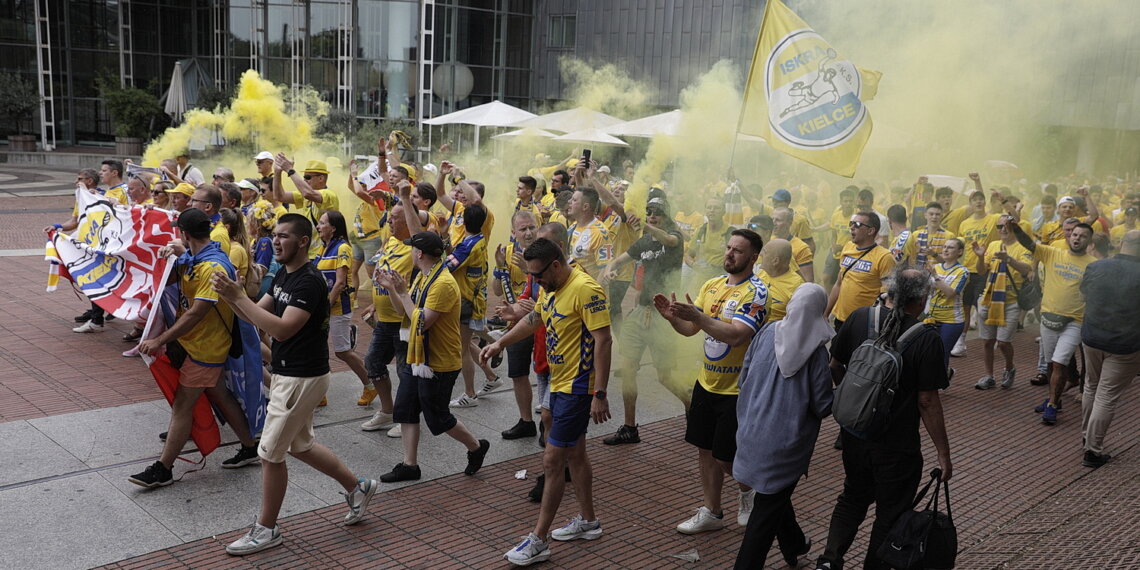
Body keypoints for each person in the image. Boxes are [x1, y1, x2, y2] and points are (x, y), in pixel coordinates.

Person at [210, 213, 379, 555]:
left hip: (302, 377)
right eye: (275, 235)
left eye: (285, 236)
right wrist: (232, 296)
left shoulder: (308, 281)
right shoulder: (284, 277)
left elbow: (283, 329)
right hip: (291, 374)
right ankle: (358, 486)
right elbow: (256, 312)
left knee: (270, 455)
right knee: (300, 446)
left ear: (303, 241)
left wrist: (238, 298)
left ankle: (267, 529)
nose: (276, 241)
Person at [482, 237, 613, 567]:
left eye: (538, 275)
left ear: (556, 265)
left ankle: (538, 539)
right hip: (557, 381)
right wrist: (500, 343)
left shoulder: (586, 289)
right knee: (576, 455)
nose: (535, 281)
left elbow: (604, 339)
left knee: (553, 461)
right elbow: (534, 319)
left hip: (578, 388)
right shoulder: (549, 287)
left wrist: (599, 392)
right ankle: (588, 521)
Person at [816, 267, 952, 570]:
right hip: (897, 445)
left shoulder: (859, 317)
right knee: (890, 513)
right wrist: (944, 454)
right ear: (921, 300)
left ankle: (829, 560)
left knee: (852, 497)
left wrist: (857, 401)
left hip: (854, 434)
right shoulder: (926, 338)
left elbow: (835, 365)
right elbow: (927, 401)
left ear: (890, 293)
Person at [128, 208, 260, 488]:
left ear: (185, 233)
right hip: (197, 345)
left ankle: (163, 469)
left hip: (207, 349)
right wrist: (172, 254)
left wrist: (159, 340)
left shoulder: (212, 267)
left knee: (182, 405)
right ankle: (250, 447)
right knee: (221, 395)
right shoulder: (196, 257)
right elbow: (173, 278)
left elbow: (196, 313)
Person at [657, 229, 768, 533]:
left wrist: (698, 316)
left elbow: (736, 335)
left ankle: (748, 493)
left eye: (738, 250)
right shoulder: (712, 285)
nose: (730, 254)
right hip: (706, 383)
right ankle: (712, 511)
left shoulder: (756, 292)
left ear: (753, 257)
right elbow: (691, 330)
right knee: (704, 449)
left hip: (738, 389)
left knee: (726, 458)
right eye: (728, 247)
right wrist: (673, 317)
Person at [373, 231, 491, 483]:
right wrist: (393, 290)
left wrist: (403, 293)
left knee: (438, 417)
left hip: (439, 362)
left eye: (412, 249)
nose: (410, 253)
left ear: (420, 254)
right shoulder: (423, 277)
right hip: (418, 358)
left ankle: (476, 447)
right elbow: (404, 313)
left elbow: (422, 323)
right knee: (405, 409)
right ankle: (410, 465)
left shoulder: (444, 284)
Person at [733, 284, 833, 569]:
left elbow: (744, 378)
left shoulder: (766, 332)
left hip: (751, 431)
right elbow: (823, 405)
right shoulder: (816, 351)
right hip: (786, 444)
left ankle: (795, 546)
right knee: (766, 512)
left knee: (773, 494)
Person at [601, 197, 688, 445]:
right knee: (628, 369)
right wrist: (610, 269)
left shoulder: (674, 236)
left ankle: (692, 404)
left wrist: (646, 226)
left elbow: (668, 240)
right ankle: (630, 427)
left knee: (664, 376)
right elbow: (619, 260)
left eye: (657, 212)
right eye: (648, 211)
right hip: (640, 312)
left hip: (665, 314)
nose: (651, 215)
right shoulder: (644, 241)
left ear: (666, 215)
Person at [1009, 217, 1095, 425]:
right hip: (1048, 318)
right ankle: (1053, 398)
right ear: (1069, 236)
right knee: (1050, 364)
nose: (1077, 239)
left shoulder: (1093, 266)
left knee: (1059, 362)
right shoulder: (1052, 253)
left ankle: (1053, 405)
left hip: (1074, 321)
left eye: (1083, 236)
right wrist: (1017, 229)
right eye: (1075, 235)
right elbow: (1029, 244)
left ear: (1089, 242)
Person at [1079, 230, 1140, 468]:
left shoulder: (1097, 267)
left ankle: (1087, 436)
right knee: (1106, 395)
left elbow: (1083, 295)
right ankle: (1092, 451)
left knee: (1091, 386)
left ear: (1121, 243)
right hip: (1125, 344)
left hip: (1092, 337)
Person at [359, 202, 415, 436]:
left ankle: (406, 418)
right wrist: (374, 302)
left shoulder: (415, 249)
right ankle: (387, 411)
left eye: (394, 218)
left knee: (405, 371)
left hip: (404, 322)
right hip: (384, 319)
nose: (389, 222)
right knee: (372, 362)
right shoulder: (391, 241)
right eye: (389, 217)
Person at [313, 210, 373, 407]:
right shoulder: (323, 248)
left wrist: (324, 307)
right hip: (323, 307)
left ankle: (370, 385)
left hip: (338, 308)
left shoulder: (343, 248)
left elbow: (339, 284)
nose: (319, 226)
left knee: (342, 351)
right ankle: (319, 393)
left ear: (334, 228)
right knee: (319, 349)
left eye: (322, 223)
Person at [490, 210, 541, 440]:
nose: (528, 232)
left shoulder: (546, 251)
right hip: (517, 322)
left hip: (542, 322)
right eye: (523, 229)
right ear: (514, 232)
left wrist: (528, 269)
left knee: (546, 371)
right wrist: (501, 267)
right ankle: (526, 421)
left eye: (532, 227)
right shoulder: (508, 253)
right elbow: (498, 290)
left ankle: (549, 421)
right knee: (518, 372)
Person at [443, 202, 497, 408]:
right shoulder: (478, 239)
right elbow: (455, 257)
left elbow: (448, 265)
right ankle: (492, 376)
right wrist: (447, 243)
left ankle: (470, 394)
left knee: (462, 349)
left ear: (463, 222)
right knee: (465, 343)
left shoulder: (468, 245)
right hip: (473, 298)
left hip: (466, 301)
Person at [972, 221, 1034, 390]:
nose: (1003, 229)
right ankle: (989, 376)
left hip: (1010, 302)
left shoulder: (1023, 248)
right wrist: (979, 256)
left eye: (1007, 225)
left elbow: (1026, 268)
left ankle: (1009, 368)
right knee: (987, 342)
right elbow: (981, 271)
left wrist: (1008, 259)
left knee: (1003, 343)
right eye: (999, 226)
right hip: (989, 300)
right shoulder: (992, 245)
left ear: (1014, 228)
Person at [826, 212, 896, 331]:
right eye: (851, 223)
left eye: (857, 224)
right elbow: (839, 283)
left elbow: (888, 296)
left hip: (866, 324)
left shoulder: (884, 257)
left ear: (871, 231)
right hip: (841, 320)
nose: (852, 227)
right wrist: (826, 313)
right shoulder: (848, 247)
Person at [271, 155, 340, 257]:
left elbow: (307, 193)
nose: (304, 180)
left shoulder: (329, 194)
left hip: (324, 253)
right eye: (304, 177)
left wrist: (290, 170)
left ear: (321, 178)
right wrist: (277, 172)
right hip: (308, 253)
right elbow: (278, 196)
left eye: (308, 177)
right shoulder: (305, 195)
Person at [925, 238, 969, 374]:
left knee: (942, 352)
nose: (945, 250)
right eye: (944, 247)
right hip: (932, 317)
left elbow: (951, 293)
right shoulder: (936, 267)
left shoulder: (963, 271)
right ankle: (945, 374)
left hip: (952, 320)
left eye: (950, 247)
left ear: (960, 252)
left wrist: (935, 277)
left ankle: (937, 385)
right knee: (929, 352)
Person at [757, 239, 805, 322]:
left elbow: (799, 321)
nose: (760, 255)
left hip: (775, 331)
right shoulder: (762, 273)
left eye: (764, 252)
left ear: (775, 261)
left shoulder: (797, 287)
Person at [771, 207, 815, 283]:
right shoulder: (768, 241)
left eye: (778, 220)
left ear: (790, 222)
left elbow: (808, 282)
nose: (773, 223)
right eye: (773, 219)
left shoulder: (801, 248)